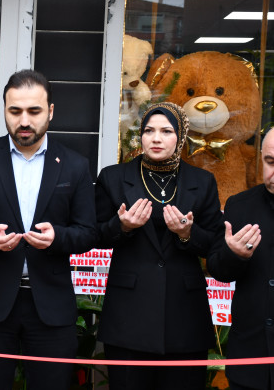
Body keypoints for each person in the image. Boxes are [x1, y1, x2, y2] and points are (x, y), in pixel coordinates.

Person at [0, 69, 99, 389]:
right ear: (4, 110)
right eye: (15, 111)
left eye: (34, 111)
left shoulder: (74, 165)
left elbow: (87, 232)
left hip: (51, 305)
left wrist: (57, 238)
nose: (24, 121)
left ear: (51, 111)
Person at [95, 102, 224, 390]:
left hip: (185, 316)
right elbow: (94, 234)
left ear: (180, 137)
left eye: (166, 131)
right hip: (129, 316)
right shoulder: (113, 177)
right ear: (140, 136)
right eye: (149, 131)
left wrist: (187, 234)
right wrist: (122, 226)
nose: (156, 138)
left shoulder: (202, 181)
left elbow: (215, 243)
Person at [207, 128, 274, 390]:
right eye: (270, 162)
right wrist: (234, 255)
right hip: (249, 360)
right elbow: (217, 269)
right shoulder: (240, 205)